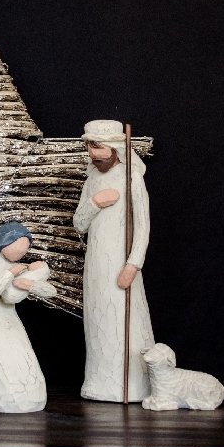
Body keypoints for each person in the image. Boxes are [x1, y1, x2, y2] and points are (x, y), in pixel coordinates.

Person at [73, 120, 155, 402]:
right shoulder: (92, 180)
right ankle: (100, 382)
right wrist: (95, 202)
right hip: (96, 264)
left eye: (96, 147)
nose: (91, 153)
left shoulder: (131, 177)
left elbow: (142, 225)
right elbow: (79, 223)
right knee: (99, 321)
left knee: (124, 321)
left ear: (114, 147)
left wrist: (133, 264)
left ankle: (133, 385)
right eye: (89, 146)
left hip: (121, 263)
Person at [0, 222, 56, 413]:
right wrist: (9, 274)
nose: (21, 254)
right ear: (3, 242)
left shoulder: (19, 267)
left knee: (26, 370)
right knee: (1, 372)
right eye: (17, 248)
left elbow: (50, 291)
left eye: (25, 250)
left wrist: (32, 282)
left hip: (12, 325)